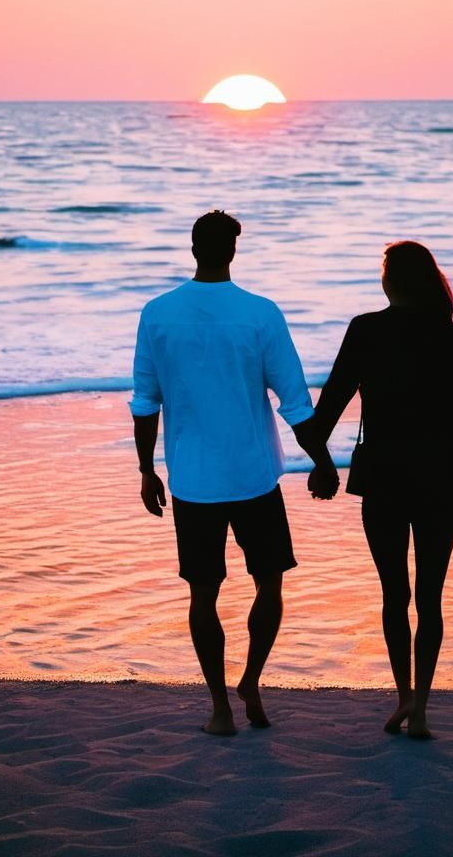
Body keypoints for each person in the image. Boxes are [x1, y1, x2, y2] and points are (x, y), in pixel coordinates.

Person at [130, 210, 338, 735]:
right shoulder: (260, 314)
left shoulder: (157, 313)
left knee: (204, 594)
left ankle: (221, 707)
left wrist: (145, 471)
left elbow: (144, 402)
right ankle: (249, 680)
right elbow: (295, 403)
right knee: (269, 586)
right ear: (232, 251)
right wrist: (323, 461)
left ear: (194, 247)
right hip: (254, 478)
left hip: (192, 481)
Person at [313, 241, 453, 739]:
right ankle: (422, 708)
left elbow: (329, 407)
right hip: (435, 480)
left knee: (394, 594)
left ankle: (404, 697)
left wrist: (321, 463)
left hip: (383, 480)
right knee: (430, 598)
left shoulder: (366, 330)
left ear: (390, 281)